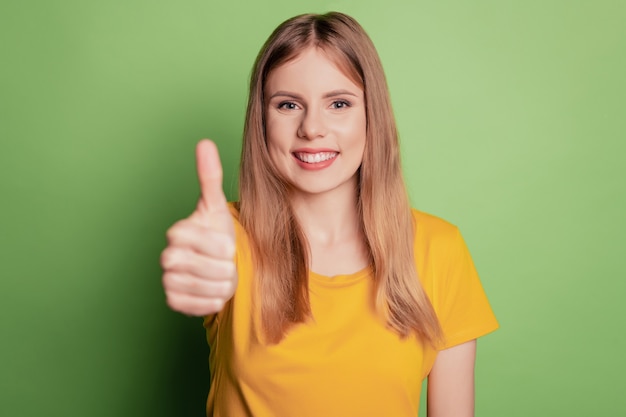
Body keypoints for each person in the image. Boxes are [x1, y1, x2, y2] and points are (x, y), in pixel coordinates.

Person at [160, 11, 498, 417]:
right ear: (261, 120)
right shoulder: (227, 240)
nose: (312, 128)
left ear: (372, 115)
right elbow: (201, 269)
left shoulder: (438, 250)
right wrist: (197, 267)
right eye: (288, 105)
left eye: (338, 103)